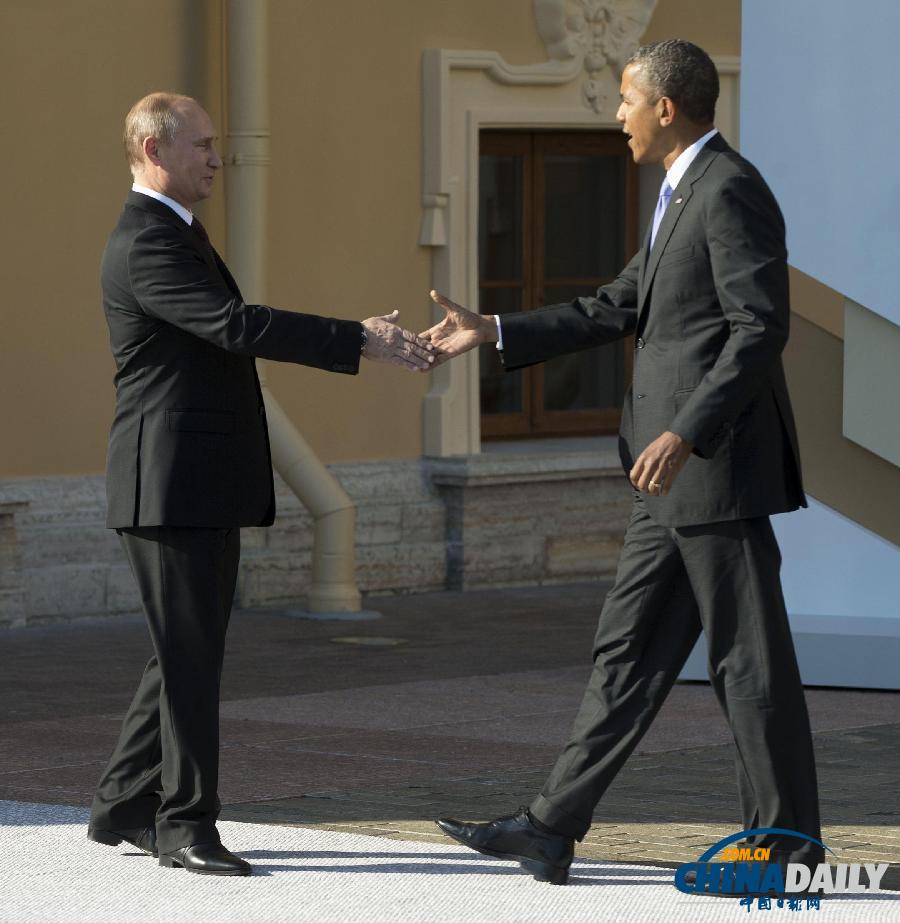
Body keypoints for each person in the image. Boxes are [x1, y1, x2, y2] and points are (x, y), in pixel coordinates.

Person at [425, 40, 822, 887]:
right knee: (625, 653)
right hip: (663, 481)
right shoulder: (678, 193)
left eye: (625, 99)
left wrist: (686, 429)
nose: (616, 114)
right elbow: (618, 305)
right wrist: (491, 331)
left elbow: (759, 328)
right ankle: (551, 825)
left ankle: (785, 845)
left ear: (666, 107)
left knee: (747, 660)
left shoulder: (730, 189)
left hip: (710, 470)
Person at [86, 92, 434, 876]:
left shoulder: (175, 232)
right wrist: (358, 339)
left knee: (184, 650)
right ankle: (185, 827)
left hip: (192, 482)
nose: (217, 156)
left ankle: (121, 802)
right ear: (153, 149)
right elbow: (234, 325)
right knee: (189, 659)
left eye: (216, 143)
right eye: (202, 145)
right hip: (166, 485)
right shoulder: (148, 241)